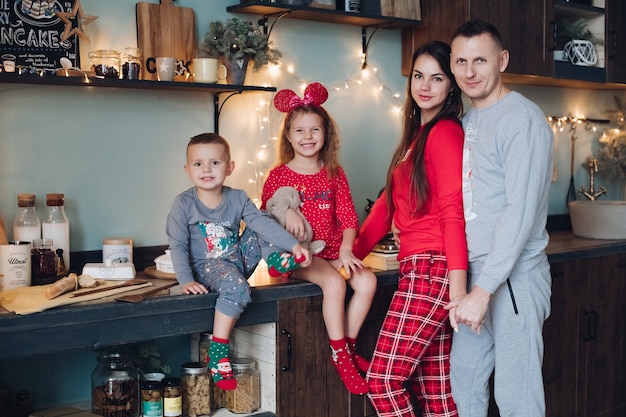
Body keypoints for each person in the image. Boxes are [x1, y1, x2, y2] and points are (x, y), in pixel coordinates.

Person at [353, 41, 467, 416]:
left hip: (433, 270)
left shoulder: (446, 132)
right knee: (434, 392)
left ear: (451, 86)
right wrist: (345, 259)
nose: (425, 86)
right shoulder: (416, 138)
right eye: (419, 76)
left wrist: (457, 286)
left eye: (437, 78)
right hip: (418, 268)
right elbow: (384, 210)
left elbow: (453, 211)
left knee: (383, 383)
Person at [446, 19, 553, 417]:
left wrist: (484, 289)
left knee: (517, 398)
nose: (469, 72)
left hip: (513, 280)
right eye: (461, 61)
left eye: (480, 60)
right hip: (476, 279)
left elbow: (519, 212)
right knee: (466, 384)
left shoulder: (522, 119)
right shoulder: (466, 121)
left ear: (502, 60)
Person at [166, 133, 311, 391]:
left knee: (264, 217)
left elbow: (260, 225)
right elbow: (177, 245)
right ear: (188, 170)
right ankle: (218, 351)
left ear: (229, 167)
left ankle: (275, 260)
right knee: (237, 287)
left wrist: (294, 245)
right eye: (198, 164)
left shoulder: (238, 197)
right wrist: (186, 280)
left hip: (237, 262)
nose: (207, 169)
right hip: (207, 267)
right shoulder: (184, 204)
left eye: (215, 162)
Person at [261, 82, 378, 395]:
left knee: (367, 282)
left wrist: (348, 250)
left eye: (314, 130)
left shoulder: (334, 173)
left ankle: (347, 348)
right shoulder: (279, 176)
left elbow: (350, 219)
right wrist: (288, 213)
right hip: (300, 255)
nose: (307, 137)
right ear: (288, 136)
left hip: (333, 250)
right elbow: (268, 215)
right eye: (299, 131)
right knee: (335, 284)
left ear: (326, 133)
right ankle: (341, 357)